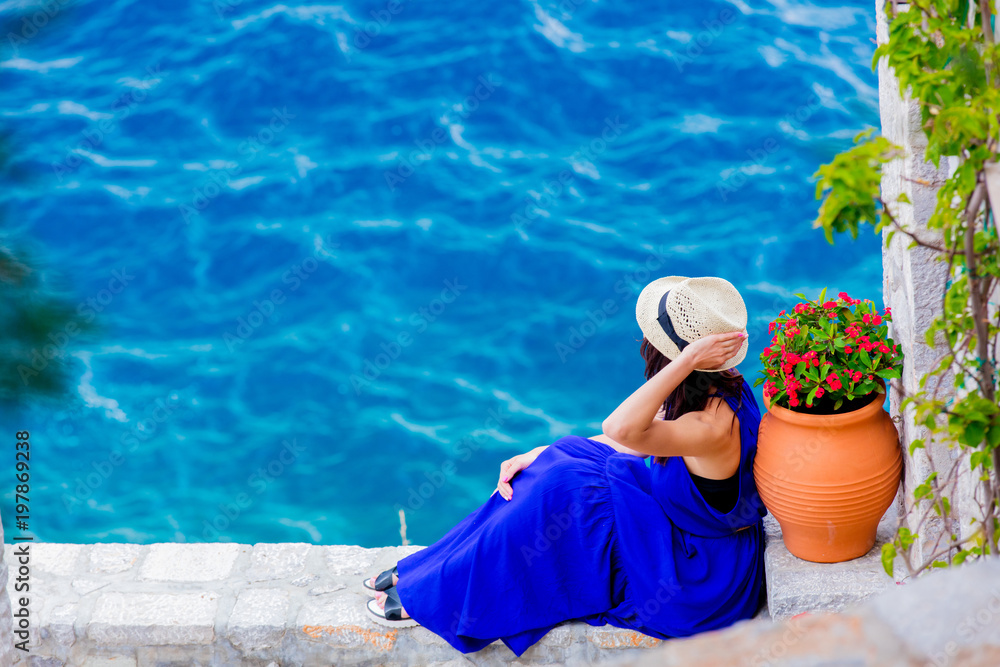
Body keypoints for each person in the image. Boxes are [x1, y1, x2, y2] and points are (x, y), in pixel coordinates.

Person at [363, 276, 767, 657]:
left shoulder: (710, 426)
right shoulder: (713, 388)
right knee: (562, 458)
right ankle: (439, 567)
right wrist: (540, 451)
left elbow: (621, 429)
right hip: (683, 527)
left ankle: (442, 596)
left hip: (696, 573)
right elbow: (628, 436)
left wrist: (685, 360)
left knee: (564, 487)